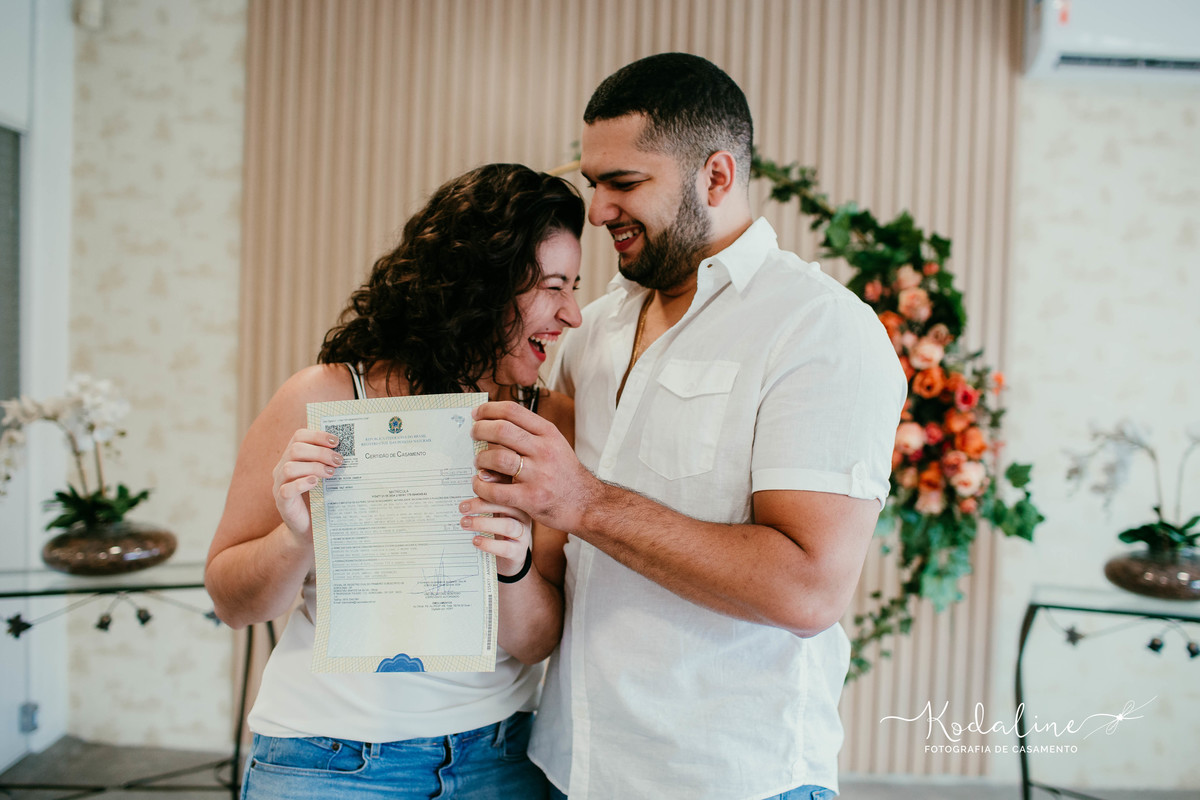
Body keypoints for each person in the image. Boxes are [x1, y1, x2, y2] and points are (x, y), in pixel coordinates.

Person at [469, 54, 907, 799]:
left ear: (716, 175)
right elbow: (546, 555)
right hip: (569, 763)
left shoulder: (820, 331)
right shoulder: (591, 328)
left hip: (730, 776)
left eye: (624, 184)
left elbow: (809, 590)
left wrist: (585, 502)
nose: (598, 210)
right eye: (594, 182)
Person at [205, 163, 584, 799]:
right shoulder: (325, 397)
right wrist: (297, 537)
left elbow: (537, 641)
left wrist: (513, 566)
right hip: (326, 760)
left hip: (499, 758)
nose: (571, 313)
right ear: (477, 290)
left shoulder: (550, 424)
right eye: (552, 287)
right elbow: (233, 603)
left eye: (573, 286)